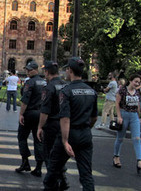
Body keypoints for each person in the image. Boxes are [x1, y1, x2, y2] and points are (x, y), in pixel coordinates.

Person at [43, 57, 98, 190]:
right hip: (85, 134)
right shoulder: (91, 91)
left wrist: (65, 141)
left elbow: (65, 118)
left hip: (69, 134)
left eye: (67, 69)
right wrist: (85, 128)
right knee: (86, 173)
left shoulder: (66, 91)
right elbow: (94, 117)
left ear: (70, 71)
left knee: (53, 167)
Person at [36, 61, 69, 187]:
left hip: (51, 124)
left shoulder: (49, 87)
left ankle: (53, 181)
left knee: (48, 153)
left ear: (47, 72)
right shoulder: (65, 85)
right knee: (59, 154)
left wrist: (40, 127)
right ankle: (62, 177)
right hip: (63, 124)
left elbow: (45, 111)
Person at [113, 74, 141, 175]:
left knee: (137, 139)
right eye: (135, 81)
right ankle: (116, 157)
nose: (137, 83)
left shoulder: (137, 92)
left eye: (138, 82)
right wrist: (119, 116)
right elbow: (117, 103)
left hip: (134, 116)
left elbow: (138, 104)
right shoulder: (122, 90)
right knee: (120, 138)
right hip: (124, 114)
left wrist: (140, 117)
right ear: (130, 80)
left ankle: (140, 162)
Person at [16, 61, 45, 176]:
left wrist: (21, 114)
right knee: (38, 140)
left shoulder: (30, 83)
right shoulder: (45, 82)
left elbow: (25, 100)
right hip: (41, 114)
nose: (27, 72)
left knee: (22, 137)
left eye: (29, 70)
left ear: (35, 70)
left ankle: (25, 162)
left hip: (29, 113)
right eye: (26, 70)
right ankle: (38, 167)